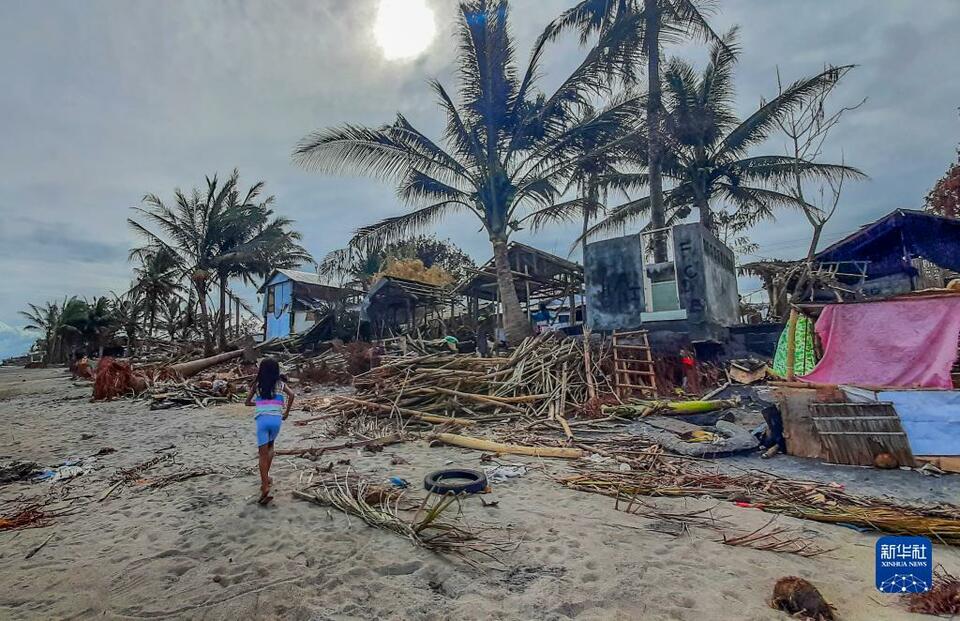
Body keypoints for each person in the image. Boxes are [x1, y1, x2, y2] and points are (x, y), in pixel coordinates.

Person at [245, 357, 294, 504]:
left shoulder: (257, 384)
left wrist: (259, 403)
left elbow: (247, 403)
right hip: (276, 420)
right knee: (271, 448)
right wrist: (286, 412)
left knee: (262, 454)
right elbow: (292, 395)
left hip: (262, 420)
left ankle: (265, 484)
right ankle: (266, 477)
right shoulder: (280, 383)